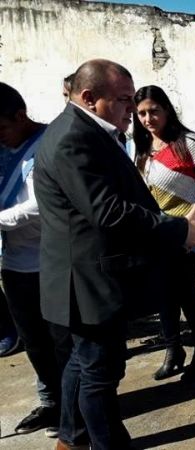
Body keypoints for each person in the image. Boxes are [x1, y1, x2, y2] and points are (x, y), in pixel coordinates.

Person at [34, 59, 195, 450]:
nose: (130, 111)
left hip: (91, 276)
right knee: (99, 373)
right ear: (89, 97)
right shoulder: (74, 137)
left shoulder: (90, 132)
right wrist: (180, 228)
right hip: (87, 281)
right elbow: (108, 211)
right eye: (121, 100)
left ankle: (71, 438)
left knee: (83, 365)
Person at [0, 82, 72, 438]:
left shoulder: (49, 145)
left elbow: (41, 206)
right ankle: (51, 402)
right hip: (13, 264)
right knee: (34, 342)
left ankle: (74, 411)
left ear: (20, 115)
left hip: (50, 262)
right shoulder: (2, 150)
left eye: (2, 128)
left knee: (61, 341)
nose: (1, 139)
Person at [133, 85, 195, 381]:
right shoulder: (142, 148)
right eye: (141, 113)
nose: (148, 118)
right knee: (162, 292)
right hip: (157, 233)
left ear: (167, 109)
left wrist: (194, 222)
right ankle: (173, 349)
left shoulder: (189, 142)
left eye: (153, 111)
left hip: (188, 231)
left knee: (185, 290)